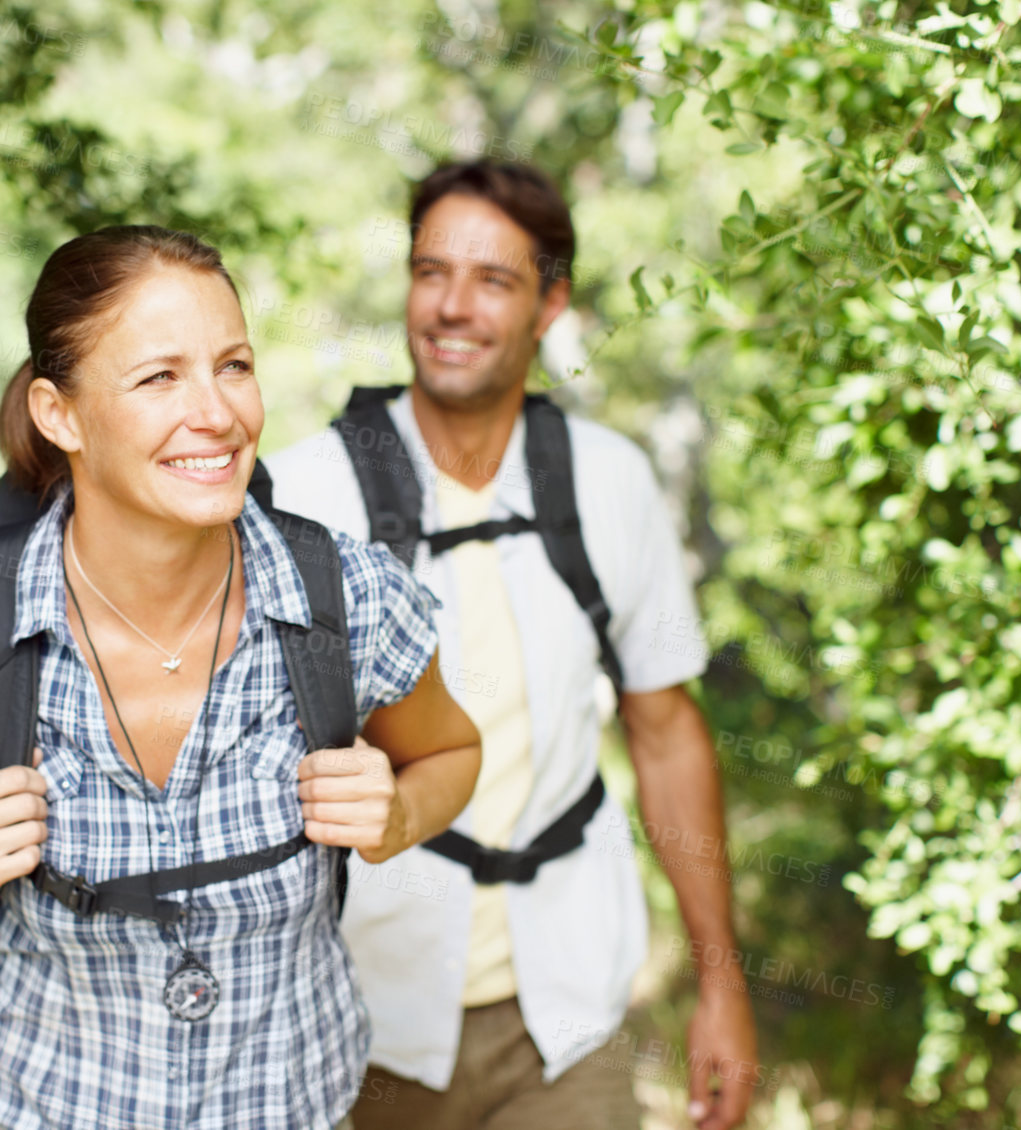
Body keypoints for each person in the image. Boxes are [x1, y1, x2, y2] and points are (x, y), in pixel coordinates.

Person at [0, 225, 482, 1130]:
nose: (217, 412)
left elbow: (452, 754)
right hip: (37, 1104)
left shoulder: (347, 599)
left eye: (233, 366)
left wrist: (399, 813)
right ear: (60, 414)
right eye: (159, 377)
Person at [264, 161, 759, 1130]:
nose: (452, 306)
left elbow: (664, 732)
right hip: (348, 1014)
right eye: (430, 270)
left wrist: (720, 981)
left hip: (565, 1016)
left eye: (493, 279)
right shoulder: (302, 493)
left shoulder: (609, 483)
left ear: (549, 302)